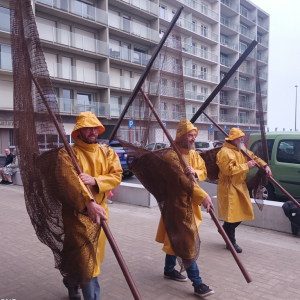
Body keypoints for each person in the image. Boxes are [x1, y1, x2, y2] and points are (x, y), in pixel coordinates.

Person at [63, 111, 122, 300]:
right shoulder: (68, 153)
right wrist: (88, 203)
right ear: (78, 131)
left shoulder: (108, 152)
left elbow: (116, 176)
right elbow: (69, 182)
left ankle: (72, 282)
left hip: (101, 212)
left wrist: (96, 181)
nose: (92, 131)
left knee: (93, 257)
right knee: (87, 261)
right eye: (87, 128)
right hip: (76, 214)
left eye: (94, 127)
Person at [155, 119, 215, 298]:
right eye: (190, 135)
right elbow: (180, 181)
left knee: (176, 237)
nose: (193, 138)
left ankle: (168, 269)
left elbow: (203, 171)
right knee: (187, 242)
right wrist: (203, 196)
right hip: (176, 205)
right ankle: (197, 283)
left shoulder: (194, 154)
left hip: (191, 204)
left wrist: (195, 173)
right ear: (181, 135)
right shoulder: (171, 156)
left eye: (194, 135)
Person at [216, 128, 272, 253]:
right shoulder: (224, 152)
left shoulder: (242, 150)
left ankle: (224, 230)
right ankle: (231, 242)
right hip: (229, 187)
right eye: (239, 137)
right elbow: (227, 170)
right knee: (231, 217)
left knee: (242, 213)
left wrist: (265, 166)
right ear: (233, 139)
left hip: (239, 186)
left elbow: (254, 157)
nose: (242, 139)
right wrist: (246, 166)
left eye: (242, 136)